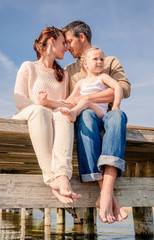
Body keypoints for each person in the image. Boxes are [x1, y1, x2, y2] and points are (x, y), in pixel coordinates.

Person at [62, 21, 131, 224]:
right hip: (86, 119)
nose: (67, 47)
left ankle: (106, 192)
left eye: (69, 42)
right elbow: (68, 98)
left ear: (81, 37)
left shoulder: (109, 61)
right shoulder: (70, 70)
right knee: (85, 116)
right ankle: (108, 195)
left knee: (118, 116)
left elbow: (122, 89)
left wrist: (85, 100)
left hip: (107, 117)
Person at [12, 26, 81, 204]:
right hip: (29, 115)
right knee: (40, 110)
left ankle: (62, 176)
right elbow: (19, 101)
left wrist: (50, 105)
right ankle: (52, 178)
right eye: (63, 42)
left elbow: (66, 104)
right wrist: (42, 106)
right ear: (52, 41)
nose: (66, 47)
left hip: (52, 119)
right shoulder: (28, 67)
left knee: (63, 114)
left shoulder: (63, 74)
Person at [38, 47, 123, 123]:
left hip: (99, 112)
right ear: (86, 64)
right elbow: (71, 99)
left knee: (85, 102)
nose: (100, 61)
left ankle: (74, 113)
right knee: (69, 104)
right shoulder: (81, 82)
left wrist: (116, 105)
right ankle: (47, 102)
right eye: (95, 59)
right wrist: (62, 102)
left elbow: (118, 86)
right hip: (84, 109)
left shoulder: (103, 77)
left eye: (102, 59)